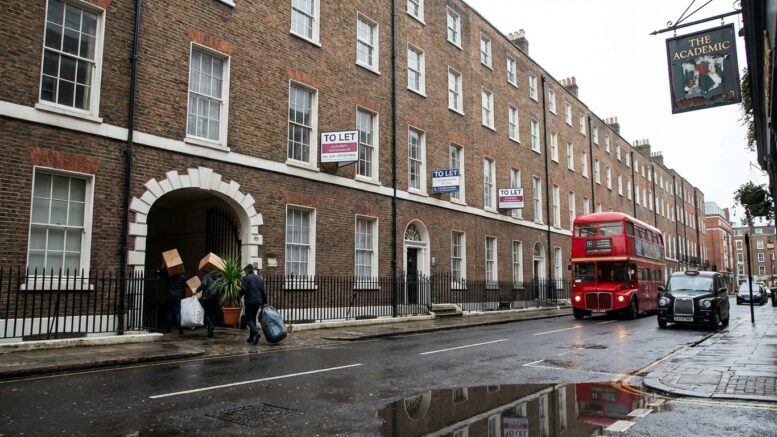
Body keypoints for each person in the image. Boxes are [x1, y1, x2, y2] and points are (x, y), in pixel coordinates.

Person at [240, 264, 266, 345]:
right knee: (253, 319)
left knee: (248, 319)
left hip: (249, 301)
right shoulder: (259, 278)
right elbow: (263, 292)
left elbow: (244, 289)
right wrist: (264, 303)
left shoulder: (245, 278)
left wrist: (238, 296)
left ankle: (256, 333)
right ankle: (251, 338)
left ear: (247, 271)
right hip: (258, 302)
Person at [161, 266, 187, 335]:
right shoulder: (181, 277)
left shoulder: (168, 276)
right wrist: (182, 268)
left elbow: (161, 275)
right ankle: (180, 326)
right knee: (177, 312)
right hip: (178, 296)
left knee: (168, 312)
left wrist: (163, 266)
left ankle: (169, 328)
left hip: (169, 296)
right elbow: (185, 277)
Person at [197, 270, 219, 338]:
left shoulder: (206, 276)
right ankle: (210, 330)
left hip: (207, 298)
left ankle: (210, 325)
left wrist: (197, 290)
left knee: (206, 313)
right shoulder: (217, 278)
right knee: (212, 314)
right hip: (215, 298)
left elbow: (203, 284)